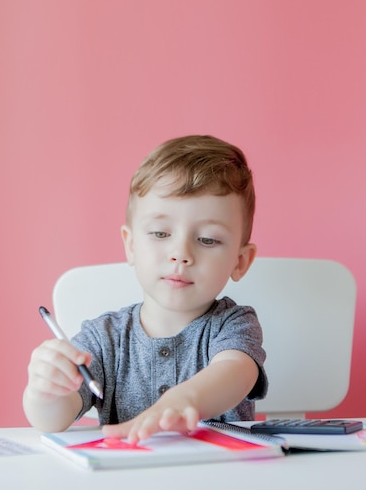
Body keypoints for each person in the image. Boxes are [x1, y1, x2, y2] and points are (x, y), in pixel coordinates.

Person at [23, 135, 267, 442]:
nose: (181, 253)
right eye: (161, 233)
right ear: (131, 245)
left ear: (240, 261)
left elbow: (235, 373)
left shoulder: (234, 325)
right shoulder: (103, 338)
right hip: (126, 486)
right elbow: (54, 420)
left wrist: (183, 400)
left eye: (207, 239)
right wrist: (45, 392)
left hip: (219, 482)